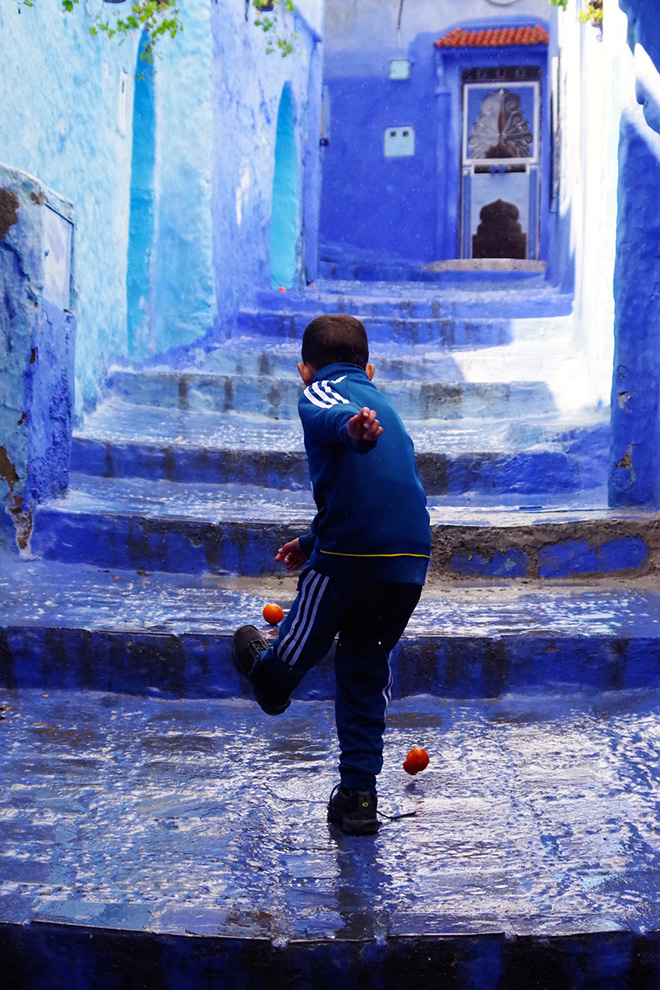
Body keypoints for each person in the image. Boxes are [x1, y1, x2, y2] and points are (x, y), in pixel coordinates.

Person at [232, 313, 431, 835]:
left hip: (351, 559)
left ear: (304, 369)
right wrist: (311, 540)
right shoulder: (388, 406)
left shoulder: (325, 392)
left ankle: (269, 678)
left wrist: (352, 429)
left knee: (294, 651)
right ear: (371, 366)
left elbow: (332, 417)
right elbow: (376, 495)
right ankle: (359, 799)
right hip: (406, 563)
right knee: (365, 670)